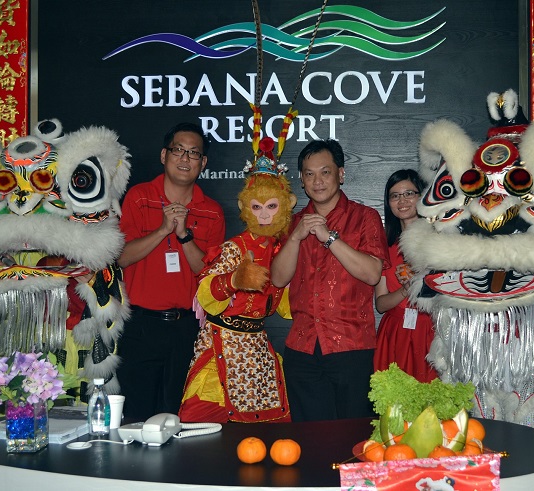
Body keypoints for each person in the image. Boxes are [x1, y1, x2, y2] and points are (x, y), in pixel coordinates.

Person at [178, 137, 296, 423]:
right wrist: (234, 279)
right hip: (223, 341)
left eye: (271, 207)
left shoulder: (284, 251)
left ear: (286, 206)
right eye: (257, 207)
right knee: (202, 423)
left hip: (257, 346)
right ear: (244, 207)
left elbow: (288, 306)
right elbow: (205, 290)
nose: (264, 215)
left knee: (266, 425)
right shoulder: (235, 247)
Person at [270, 139, 389, 422]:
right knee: (310, 439)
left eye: (325, 172)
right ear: (301, 179)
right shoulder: (294, 222)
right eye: (309, 174)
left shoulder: (365, 217)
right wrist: (296, 237)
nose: (317, 181)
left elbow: (372, 273)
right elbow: (277, 278)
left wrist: (330, 238)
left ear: (341, 174)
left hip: (351, 347)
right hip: (302, 347)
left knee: (353, 436)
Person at [117, 122, 225, 420]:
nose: (185, 158)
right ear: (164, 155)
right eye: (179, 150)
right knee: (136, 414)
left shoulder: (212, 211)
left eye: (194, 153)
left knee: (177, 415)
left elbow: (210, 274)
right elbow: (122, 257)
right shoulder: (139, 197)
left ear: (203, 163)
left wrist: (184, 235)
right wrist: (163, 229)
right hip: (141, 325)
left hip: (187, 329)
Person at [372, 169, 438, 382]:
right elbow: (381, 304)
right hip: (395, 334)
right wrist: (406, 289)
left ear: (422, 197)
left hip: (431, 331)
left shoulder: (440, 240)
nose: (402, 200)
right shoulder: (384, 245)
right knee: (394, 407)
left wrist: (422, 280)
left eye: (409, 193)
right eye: (395, 195)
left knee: (432, 405)